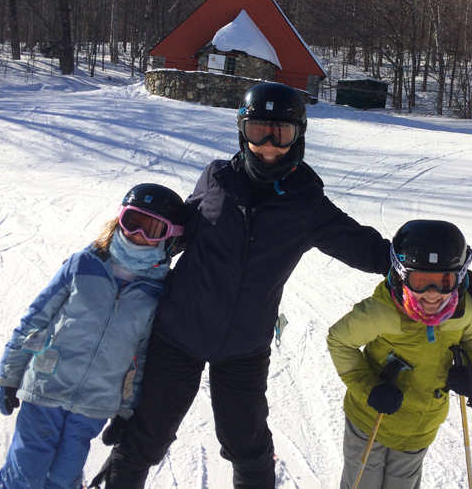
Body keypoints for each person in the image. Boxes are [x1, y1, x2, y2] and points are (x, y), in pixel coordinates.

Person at [93, 82, 392, 489]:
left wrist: (440, 273)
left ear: (298, 134)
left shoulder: (307, 205)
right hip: (178, 333)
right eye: (258, 131)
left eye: (281, 133)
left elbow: (368, 249)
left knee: (246, 446)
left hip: (243, 348)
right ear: (242, 130)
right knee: (145, 438)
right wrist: (106, 260)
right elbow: (172, 235)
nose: (268, 145)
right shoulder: (216, 178)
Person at [0, 183, 187, 489]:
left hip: (96, 402)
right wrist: (9, 375)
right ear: (120, 219)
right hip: (46, 385)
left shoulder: (155, 292)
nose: (140, 235)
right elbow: (36, 318)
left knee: (63, 477)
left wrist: (125, 408)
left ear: (170, 237)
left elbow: (142, 356)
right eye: (133, 222)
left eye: (153, 230)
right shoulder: (84, 264)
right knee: (25, 472)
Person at [327, 220, 472, 489]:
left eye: (444, 281)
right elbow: (339, 341)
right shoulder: (382, 312)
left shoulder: (464, 312)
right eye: (420, 281)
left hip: (420, 426)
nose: (433, 294)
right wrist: (369, 388)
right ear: (403, 274)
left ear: (459, 277)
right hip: (370, 420)